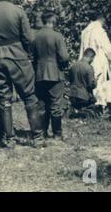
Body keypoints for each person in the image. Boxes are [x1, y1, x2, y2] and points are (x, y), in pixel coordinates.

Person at [0, 0, 45, 148]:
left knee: (4, 99)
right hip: (17, 56)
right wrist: (28, 54)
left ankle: (9, 139)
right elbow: (28, 38)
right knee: (29, 97)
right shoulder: (19, 11)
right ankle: (38, 137)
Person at [33, 11, 69, 139]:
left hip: (39, 73)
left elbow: (32, 56)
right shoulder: (57, 36)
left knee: (42, 105)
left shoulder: (35, 36)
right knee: (55, 104)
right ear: (53, 21)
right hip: (55, 73)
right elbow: (64, 57)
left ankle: (42, 132)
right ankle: (57, 134)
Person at [80, 12, 111, 108]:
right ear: (102, 19)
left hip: (86, 59)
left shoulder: (85, 31)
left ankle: (89, 103)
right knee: (99, 82)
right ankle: (100, 106)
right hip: (98, 60)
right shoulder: (99, 31)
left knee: (88, 81)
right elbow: (107, 48)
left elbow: (82, 48)